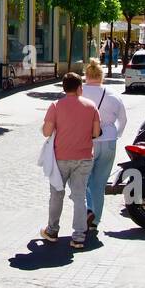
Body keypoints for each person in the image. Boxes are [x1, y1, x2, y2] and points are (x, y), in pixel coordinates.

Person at [40, 71, 101, 249]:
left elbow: (46, 131)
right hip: (84, 157)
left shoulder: (55, 106)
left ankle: (52, 230)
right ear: (80, 88)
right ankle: (79, 236)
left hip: (60, 158)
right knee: (79, 197)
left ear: (64, 88)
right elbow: (96, 133)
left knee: (56, 195)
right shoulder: (91, 106)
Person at [82, 59, 128, 232]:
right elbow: (123, 119)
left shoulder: (80, 93)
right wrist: (116, 134)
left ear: (86, 76)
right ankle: (95, 220)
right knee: (99, 183)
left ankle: (88, 210)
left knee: (84, 180)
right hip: (108, 140)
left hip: (86, 141)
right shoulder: (113, 94)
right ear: (102, 76)